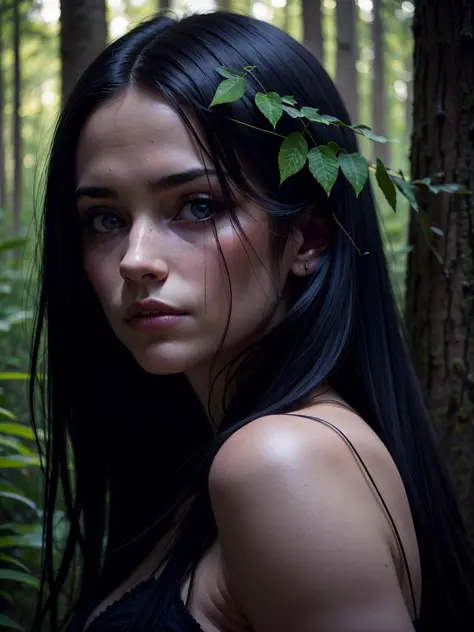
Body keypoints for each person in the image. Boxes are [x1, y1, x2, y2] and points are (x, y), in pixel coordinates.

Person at [29, 10, 474, 632]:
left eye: (198, 205)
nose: (135, 260)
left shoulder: (279, 461)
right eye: (105, 218)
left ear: (309, 237)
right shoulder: (204, 463)